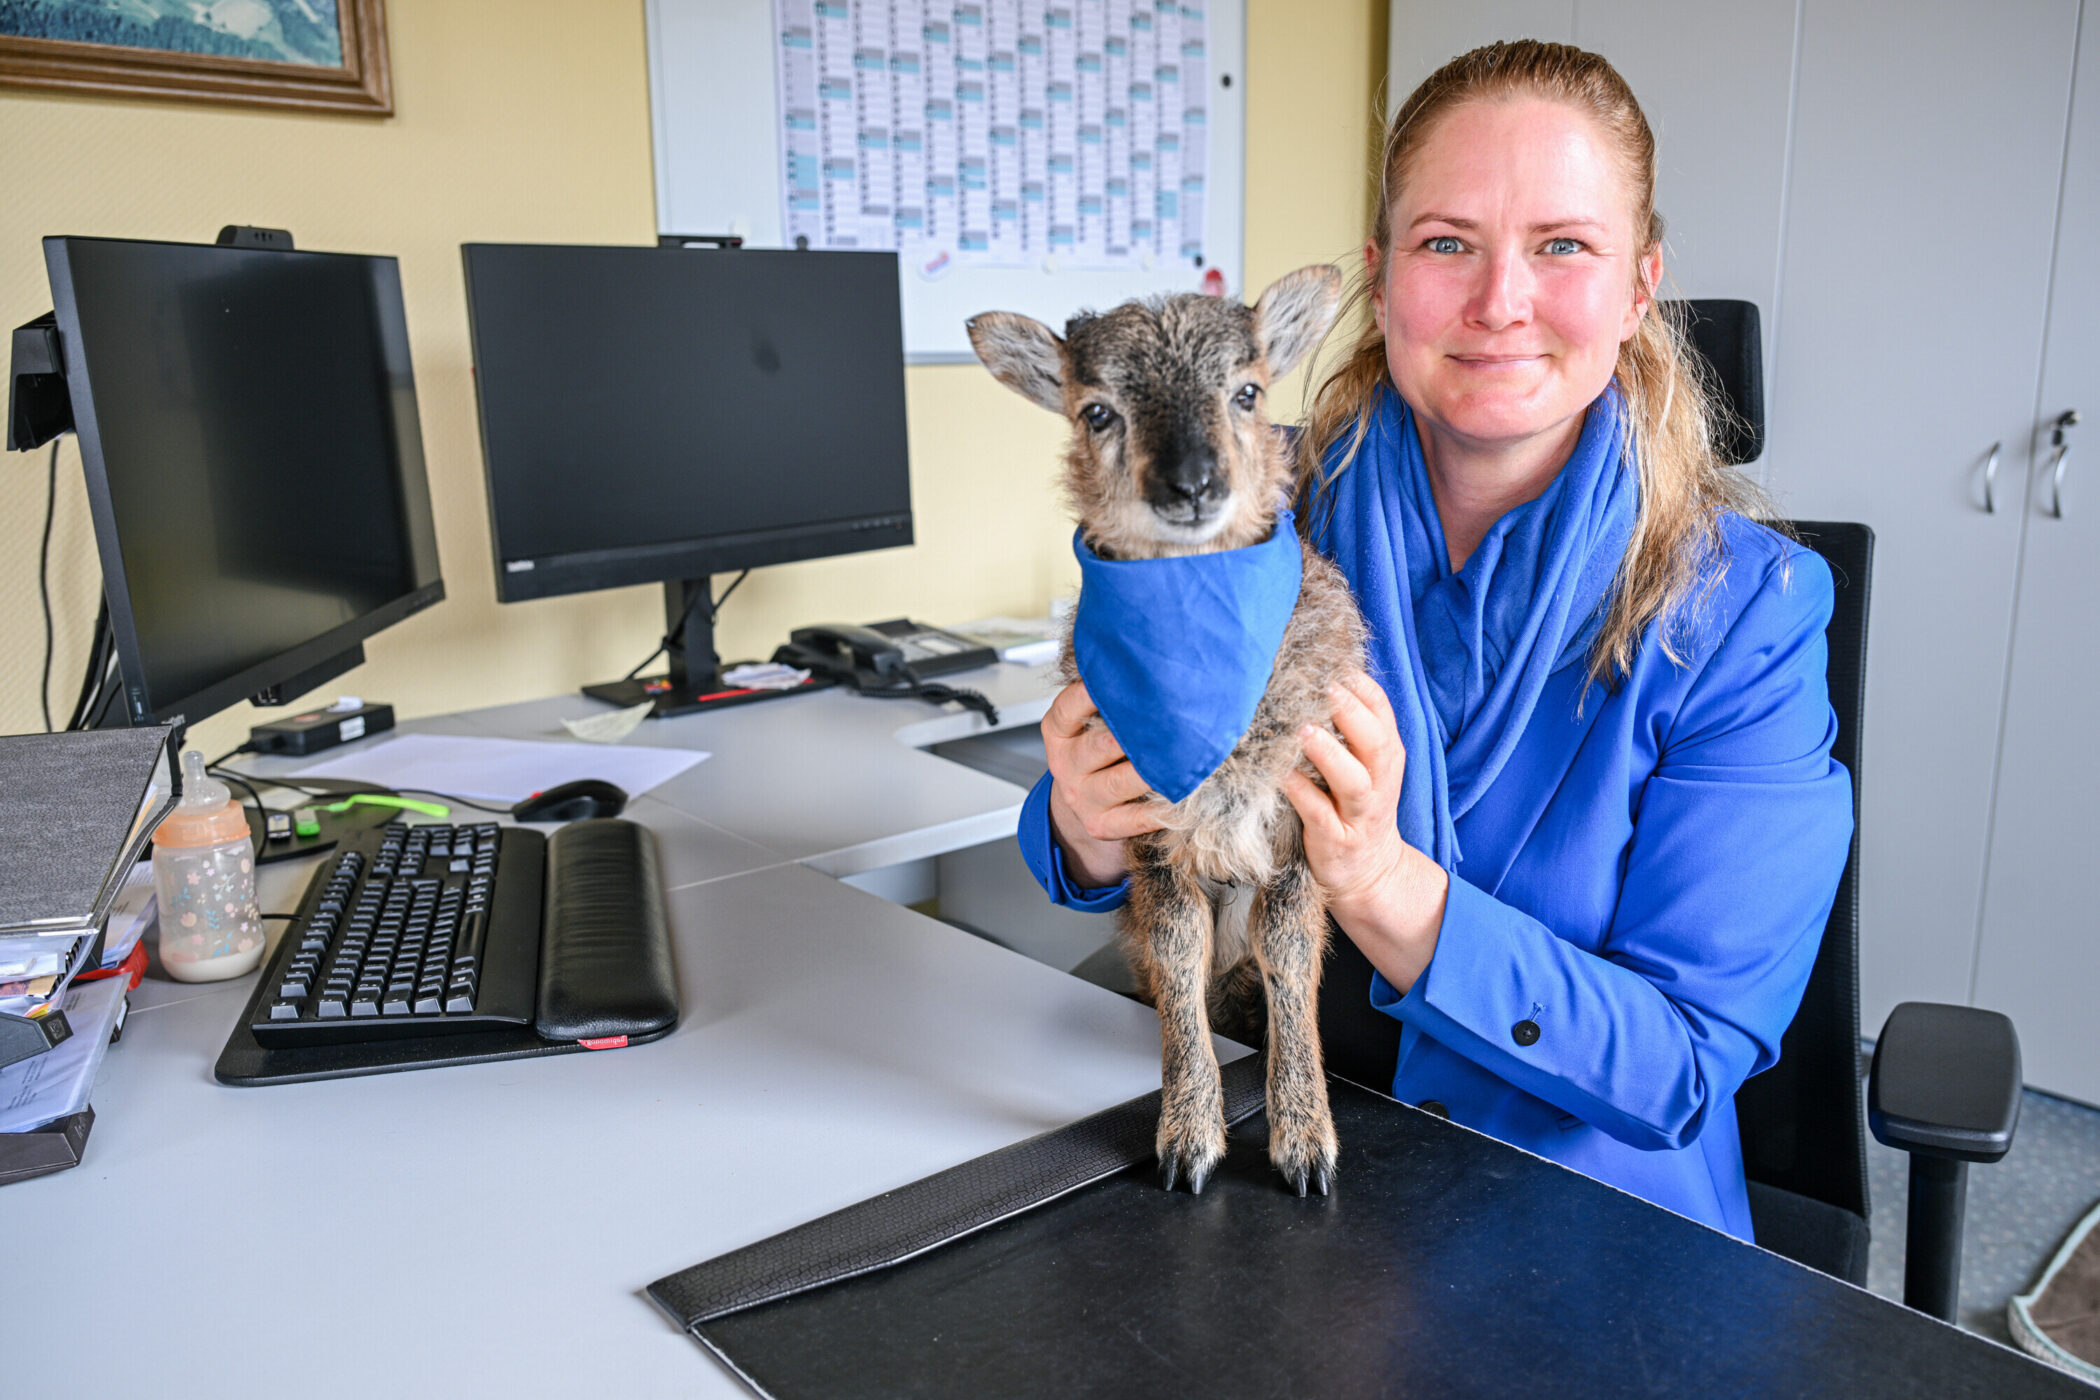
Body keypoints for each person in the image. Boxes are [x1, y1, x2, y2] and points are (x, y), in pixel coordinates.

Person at [1014, 39, 1854, 1242]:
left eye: (1562, 246)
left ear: (1638, 287)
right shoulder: (1249, 512)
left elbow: (1682, 1062)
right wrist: (1081, 824)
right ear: (1383, 276)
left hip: (1584, 1222)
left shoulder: (1748, 614)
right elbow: (1098, 827)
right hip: (1281, 1169)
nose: (1499, 300)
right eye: (1447, 243)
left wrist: (1388, 887)